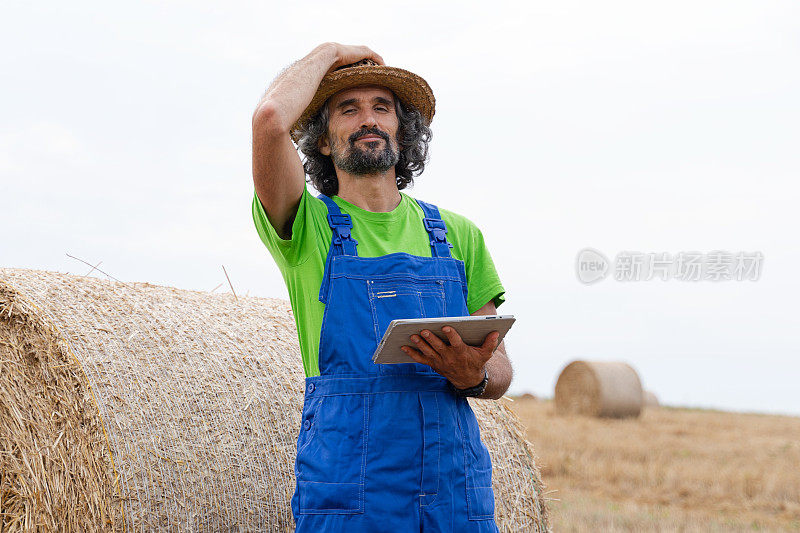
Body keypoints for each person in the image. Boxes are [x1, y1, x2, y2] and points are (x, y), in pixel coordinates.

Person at [251, 42, 513, 532]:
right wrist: (332, 51)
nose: (367, 119)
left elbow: (498, 367)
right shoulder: (307, 227)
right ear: (324, 141)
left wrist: (470, 374)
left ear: (401, 129)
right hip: (350, 481)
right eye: (347, 109)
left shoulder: (457, 234)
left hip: (454, 484)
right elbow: (269, 119)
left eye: (382, 107)